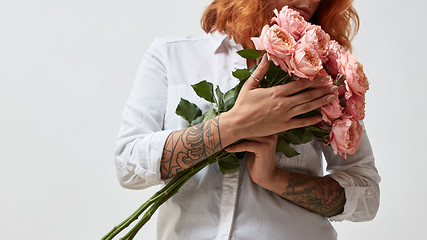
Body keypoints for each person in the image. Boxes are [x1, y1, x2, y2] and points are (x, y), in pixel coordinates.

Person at [114, 0, 381, 239]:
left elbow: (367, 193)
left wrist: (274, 178)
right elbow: (128, 165)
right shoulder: (171, 55)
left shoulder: (323, 77)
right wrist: (233, 126)